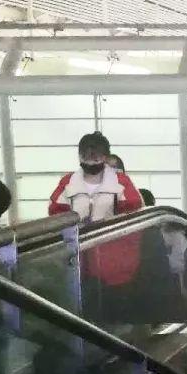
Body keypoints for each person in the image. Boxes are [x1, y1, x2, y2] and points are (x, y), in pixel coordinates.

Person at [48, 132, 143, 320]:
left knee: (114, 313)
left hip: (114, 265)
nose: (91, 156)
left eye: (96, 152)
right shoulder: (68, 182)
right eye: (86, 152)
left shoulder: (121, 182)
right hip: (76, 263)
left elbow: (134, 212)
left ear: (105, 156)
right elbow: (55, 214)